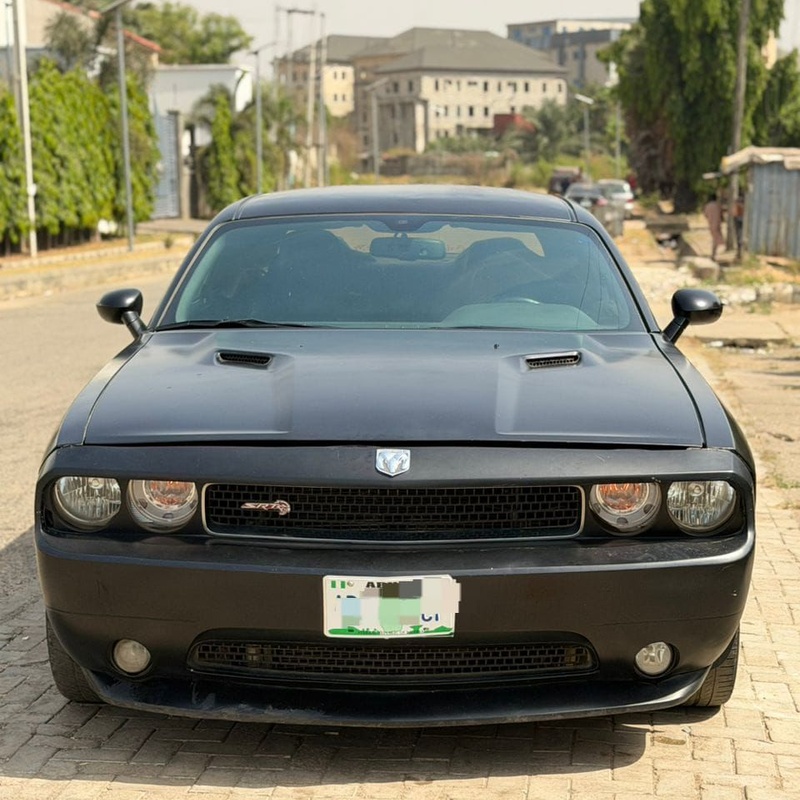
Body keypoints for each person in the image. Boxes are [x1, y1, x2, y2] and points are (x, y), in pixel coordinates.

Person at [703, 193, 724, 261]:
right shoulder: (718, 205)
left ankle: (713, 254)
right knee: (716, 239)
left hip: (711, 224)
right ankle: (713, 254)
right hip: (717, 224)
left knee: (715, 239)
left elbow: (705, 215)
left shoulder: (707, 206)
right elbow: (721, 215)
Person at [732, 193, 745, 260]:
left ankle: (739, 253)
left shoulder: (737, 204)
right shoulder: (742, 204)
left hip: (738, 219)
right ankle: (739, 253)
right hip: (739, 219)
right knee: (739, 237)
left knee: (739, 237)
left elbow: (734, 213)